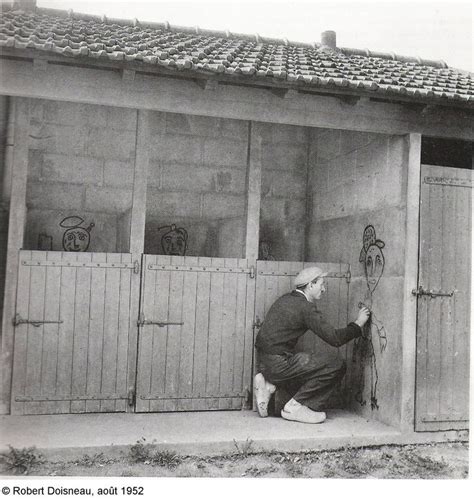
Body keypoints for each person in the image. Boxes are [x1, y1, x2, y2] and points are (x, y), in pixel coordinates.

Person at [254, 266, 370, 424]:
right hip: (279, 364)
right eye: (321, 284)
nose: (324, 289)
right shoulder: (305, 308)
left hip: (264, 362)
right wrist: (358, 324)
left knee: (304, 367)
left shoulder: (285, 299)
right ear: (310, 285)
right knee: (336, 364)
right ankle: (296, 406)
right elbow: (335, 339)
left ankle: (269, 386)